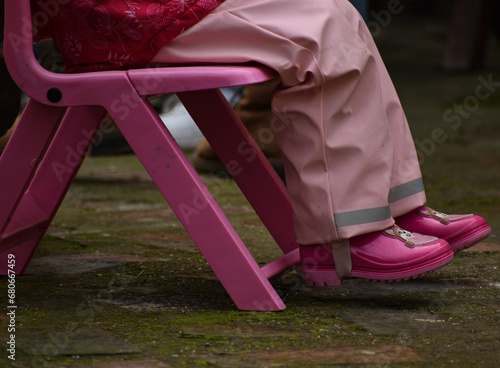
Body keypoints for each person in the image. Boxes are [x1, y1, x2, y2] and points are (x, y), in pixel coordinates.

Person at [15, 0, 492, 285]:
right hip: (118, 18)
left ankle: (391, 204)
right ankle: (345, 236)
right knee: (318, 29)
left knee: (338, 9)